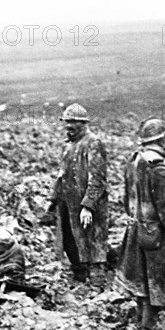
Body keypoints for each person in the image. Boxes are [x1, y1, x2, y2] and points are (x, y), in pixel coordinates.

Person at [115, 118, 165, 330]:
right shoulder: (158, 168)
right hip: (156, 235)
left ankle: (142, 324)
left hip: (135, 229)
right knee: (155, 282)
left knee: (141, 280)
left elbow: (125, 199)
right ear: (162, 140)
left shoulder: (133, 161)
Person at [48, 103, 108, 284]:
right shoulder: (67, 146)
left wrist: (88, 206)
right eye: (67, 123)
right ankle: (80, 276)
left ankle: (98, 282)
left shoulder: (93, 143)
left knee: (93, 240)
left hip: (87, 203)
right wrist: (53, 201)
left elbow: (98, 178)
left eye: (73, 123)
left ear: (84, 124)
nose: (69, 127)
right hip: (68, 202)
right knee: (70, 239)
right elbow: (61, 175)